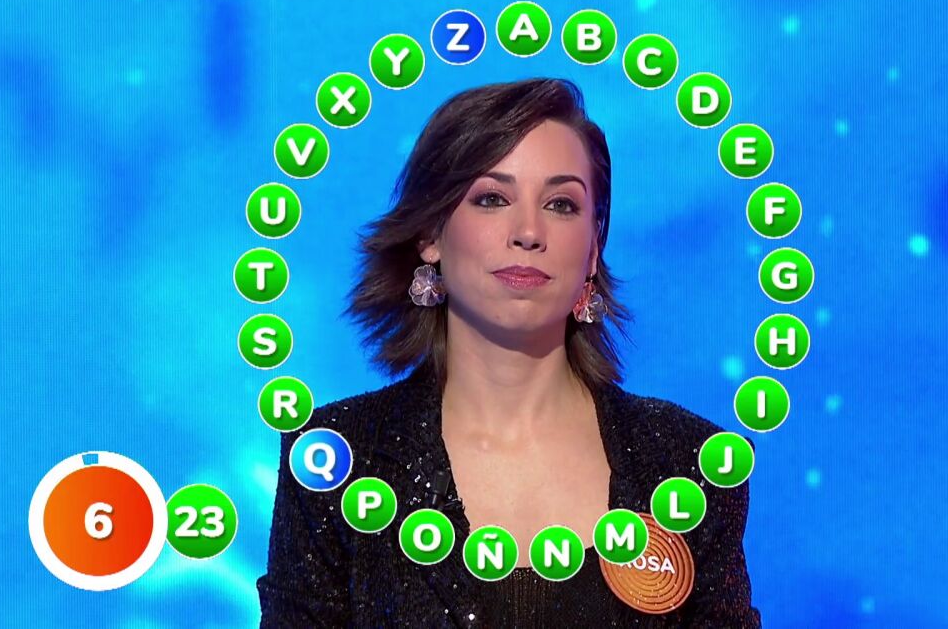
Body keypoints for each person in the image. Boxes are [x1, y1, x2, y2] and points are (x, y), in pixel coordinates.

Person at [256, 77, 761, 628]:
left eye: (561, 204)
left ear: (593, 248)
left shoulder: (690, 464)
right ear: (430, 235)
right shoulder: (335, 460)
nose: (528, 232)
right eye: (492, 199)